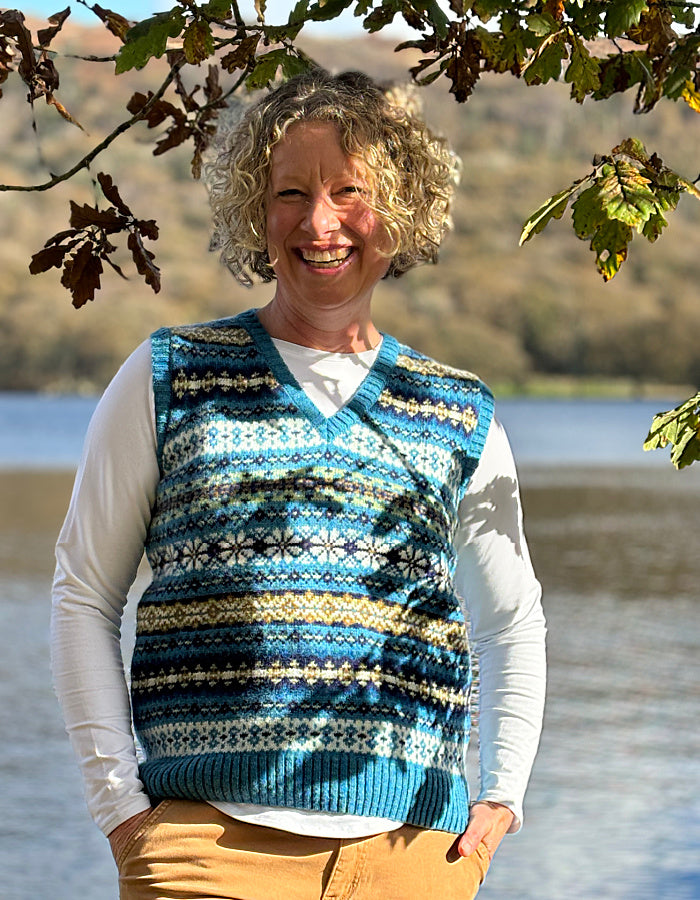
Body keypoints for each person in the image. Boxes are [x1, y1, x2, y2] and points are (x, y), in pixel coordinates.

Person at [51, 69, 546, 900]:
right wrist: (124, 814)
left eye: (350, 191)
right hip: (206, 849)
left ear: (403, 211)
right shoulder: (171, 377)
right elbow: (83, 594)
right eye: (290, 192)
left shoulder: (457, 412)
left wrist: (501, 795)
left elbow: (509, 621)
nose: (320, 222)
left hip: (412, 857)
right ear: (257, 210)